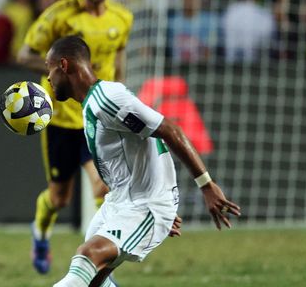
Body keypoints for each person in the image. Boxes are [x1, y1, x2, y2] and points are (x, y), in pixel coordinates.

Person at [45, 35, 240, 287]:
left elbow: (170, 130)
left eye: (49, 68)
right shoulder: (94, 103)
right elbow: (144, 145)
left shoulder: (107, 99)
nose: (48, 78)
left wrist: (204, 186)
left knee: (88, 256)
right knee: (94, 280)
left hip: (143, 205)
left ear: (64, 65)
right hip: (121, 202)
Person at [17, 0, 133, 274]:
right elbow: (24, 54)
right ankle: (40, 232)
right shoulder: (59, 16)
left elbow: (119, 60)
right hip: (61, 118)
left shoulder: (122, 18)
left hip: (98, 117)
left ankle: (97, 264)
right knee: (59, 198)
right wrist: (65, 70)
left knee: (103, 188)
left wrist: (119, 101)